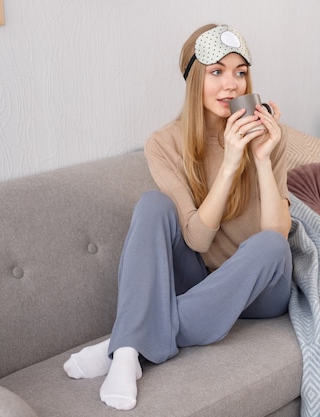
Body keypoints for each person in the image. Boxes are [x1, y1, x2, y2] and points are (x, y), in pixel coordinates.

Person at [62, 23, 293, 411]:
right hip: (202, 278)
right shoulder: (164, 143)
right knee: (153, 204)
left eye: (239, 72)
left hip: (261, 289)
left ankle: (127, 342)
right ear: (192, 78)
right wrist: (229, 164)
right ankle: (129, 347)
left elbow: (276, 236)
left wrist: (260, 158)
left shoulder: (269, 135)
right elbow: (198, 240)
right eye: (216, 72)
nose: (231, 85)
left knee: (269, 244)